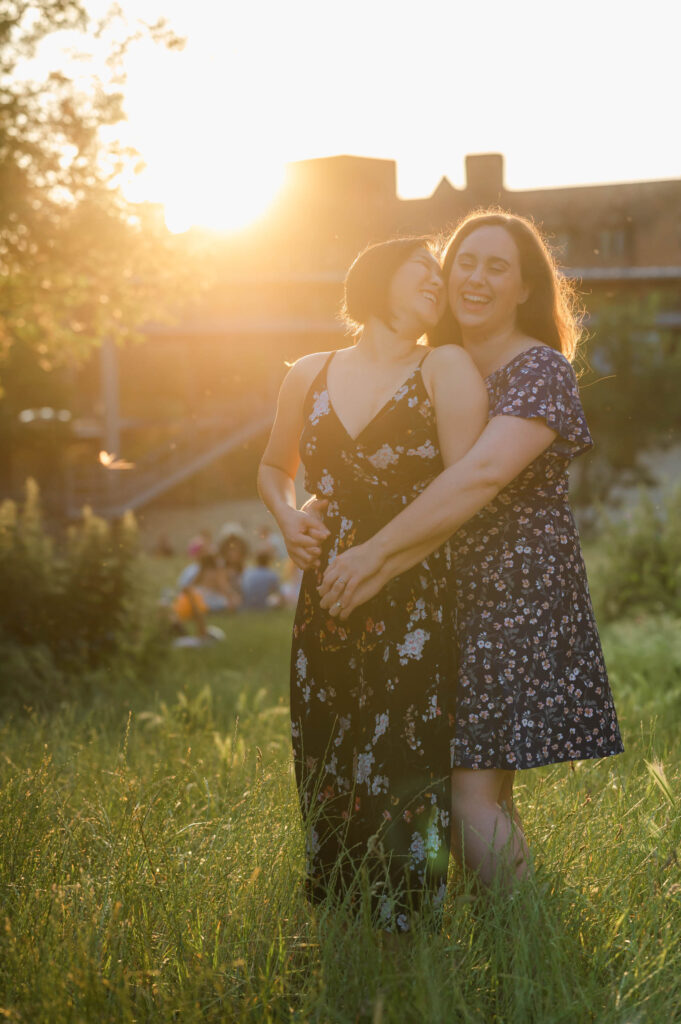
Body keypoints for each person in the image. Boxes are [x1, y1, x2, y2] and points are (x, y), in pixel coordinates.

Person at [319, 212, 624, 890]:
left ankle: (528, 951)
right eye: (464, 262)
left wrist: (373, 557)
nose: (475, 278)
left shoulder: (539, 370)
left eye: (496, 267)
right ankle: (510, 949)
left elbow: (479, 477)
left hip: (510, 593)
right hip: (435, 587)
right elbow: (380, 461)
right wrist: (307, 511)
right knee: (472, 791)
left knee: (466, 799)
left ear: (522, 290)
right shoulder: (429, 364)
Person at [258, 237, 487, 929]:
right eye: (426, 269)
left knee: (406, 752)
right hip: (327, 591)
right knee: (326, 741)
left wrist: (385, 557)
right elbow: (274, 467)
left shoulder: (444, 365)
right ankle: (342, 910)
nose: (439, 283)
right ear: (379, 277)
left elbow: (463, 489)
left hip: (419, 588)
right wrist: (286, 517)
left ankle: (411, 920)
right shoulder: (308, 371)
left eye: (441, 279)